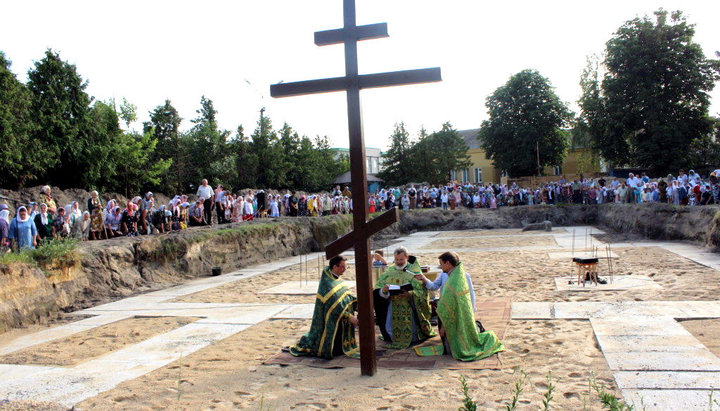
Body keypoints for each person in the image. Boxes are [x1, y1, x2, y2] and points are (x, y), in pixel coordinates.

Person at [414, 252, 504, 361]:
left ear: (448, 263)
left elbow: (469, 296)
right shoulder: (443, 274)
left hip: (458, 312)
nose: (440, 266)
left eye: (441, 264)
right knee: (448, 348)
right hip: (445, 312)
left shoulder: (464, 276)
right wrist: (423, 278)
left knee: (461, 343)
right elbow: (434, 286)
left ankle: (477, 327)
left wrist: (472, 312)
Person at [289, 255, 360, 359]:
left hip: (339, 318)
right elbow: (334, 306)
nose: (344, 270)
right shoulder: (327, 282)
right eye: (342, 267)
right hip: (328, 318)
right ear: (335, 267)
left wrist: (358, 304)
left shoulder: (336, 278)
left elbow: (346, 295)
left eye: (346, 267)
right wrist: (349, 317)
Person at [373, 247, 435, 349]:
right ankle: (393, 337)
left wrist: (411, 294)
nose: (399, 262)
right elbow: (377, 290)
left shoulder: (414, 270)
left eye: (401, 259)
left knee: (412, 329)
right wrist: (384, 291)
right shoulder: (389, 271)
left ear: (407, 257)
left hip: (409, 305)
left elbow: (422, 291)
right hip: (393, 305)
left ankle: (413, 338)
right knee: (391, 326)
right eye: (397, 260)